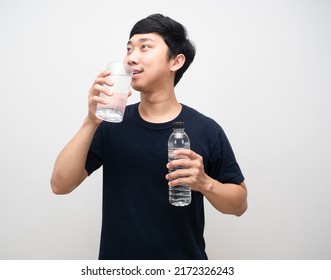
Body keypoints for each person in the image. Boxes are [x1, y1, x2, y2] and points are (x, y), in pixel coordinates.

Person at [50, 13, 247, 260]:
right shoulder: (112, 124)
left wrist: (204, 182)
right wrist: (91, 120)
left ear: (176, 61)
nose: (131, 57)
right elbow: (60, 184)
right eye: (129, 49)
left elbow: (239, 204)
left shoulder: (206, 129)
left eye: (145, 47)